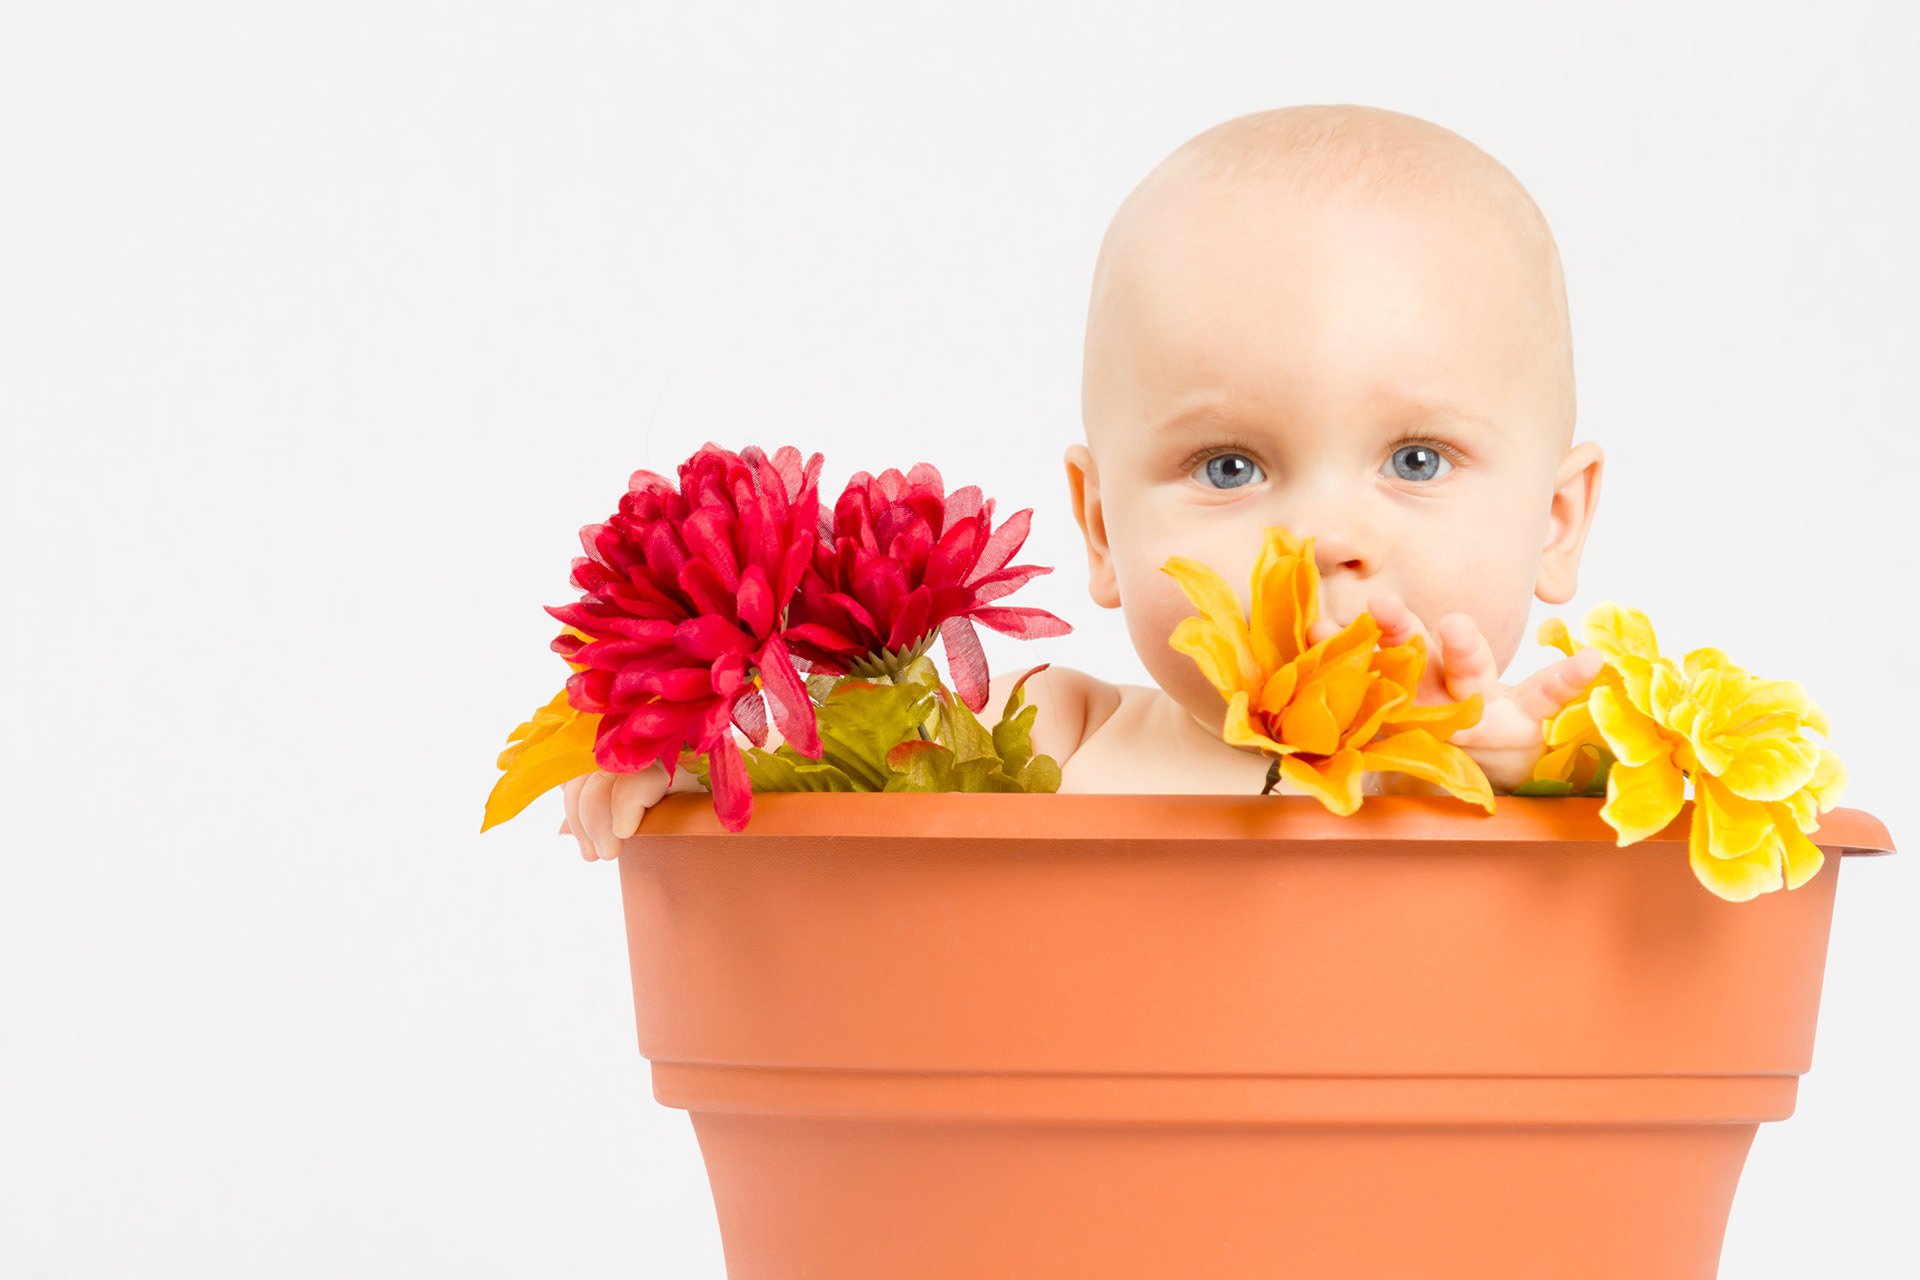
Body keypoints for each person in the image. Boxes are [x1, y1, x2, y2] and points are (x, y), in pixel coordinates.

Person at [562, 104, 1606, 860]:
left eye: (1416, 459)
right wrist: (685, 756)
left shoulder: (1522, 746)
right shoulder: (1051, 735)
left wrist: (1545, 776)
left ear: (1555, 522)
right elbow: (831, 766)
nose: (1323, 535)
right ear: (1103, 529)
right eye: (1230, 465)